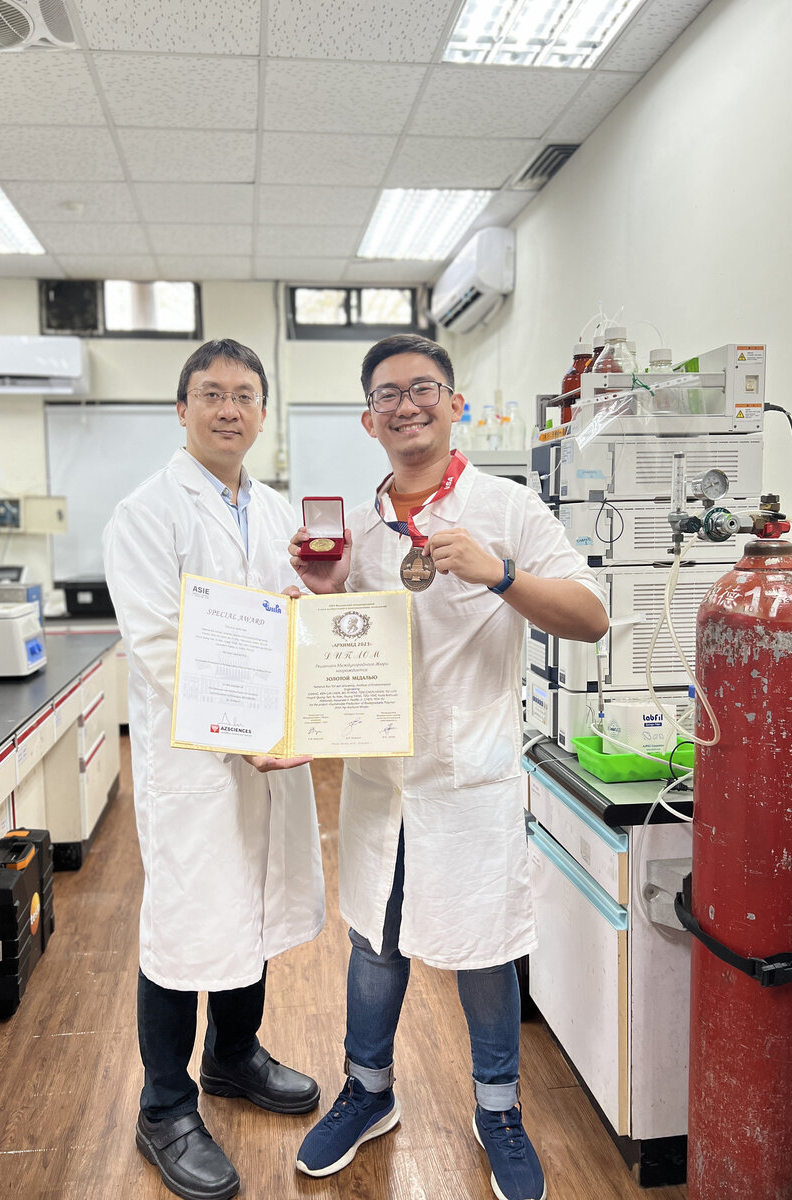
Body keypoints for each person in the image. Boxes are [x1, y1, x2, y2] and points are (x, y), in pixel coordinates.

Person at [289, 334, 608, 1200]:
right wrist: (314, 601)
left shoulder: (507, 508)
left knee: (485, 949)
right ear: (368, 419)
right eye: (387, 394)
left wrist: (501, 575)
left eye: (423, 388)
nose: (407, 405)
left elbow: (591, 615)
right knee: (375, 942)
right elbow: (340, 652)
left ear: (455, 402)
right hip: (381, 781)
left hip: (470, 778)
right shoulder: (352, 531)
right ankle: (369, 1092)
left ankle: (497, 1108)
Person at [104, 338, 325, 1200]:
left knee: (257, 901)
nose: (229, 408)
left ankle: (232, 1057)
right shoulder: (147, 510)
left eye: (244, 395)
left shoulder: (271, 510)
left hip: (272, 748)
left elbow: (288, 619)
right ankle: (163, 1105)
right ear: (182, 408)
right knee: (186, 918)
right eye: (211, 393)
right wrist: (237, 734)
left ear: (263, 413)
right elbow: (159, 644)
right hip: (198, 760)